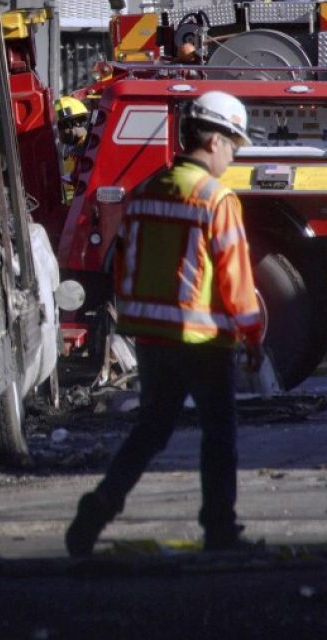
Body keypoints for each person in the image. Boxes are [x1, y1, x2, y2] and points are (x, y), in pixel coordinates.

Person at [65, 90, 264, 556]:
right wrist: (252, 333)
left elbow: (124, 264)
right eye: (233, 145)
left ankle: (97, 509)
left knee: (151, 430)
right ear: (213, 141)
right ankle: (219, 530)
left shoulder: (147, 190)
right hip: (203, 341)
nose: (233, 156)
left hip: (152, 338)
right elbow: (236, 281)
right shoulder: (217, 200)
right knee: (220, 435)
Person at [55, 96, 89, 200]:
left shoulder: (87, 152)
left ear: (72, 124)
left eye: (59, 128)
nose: (58, 134)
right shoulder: (74, 152)